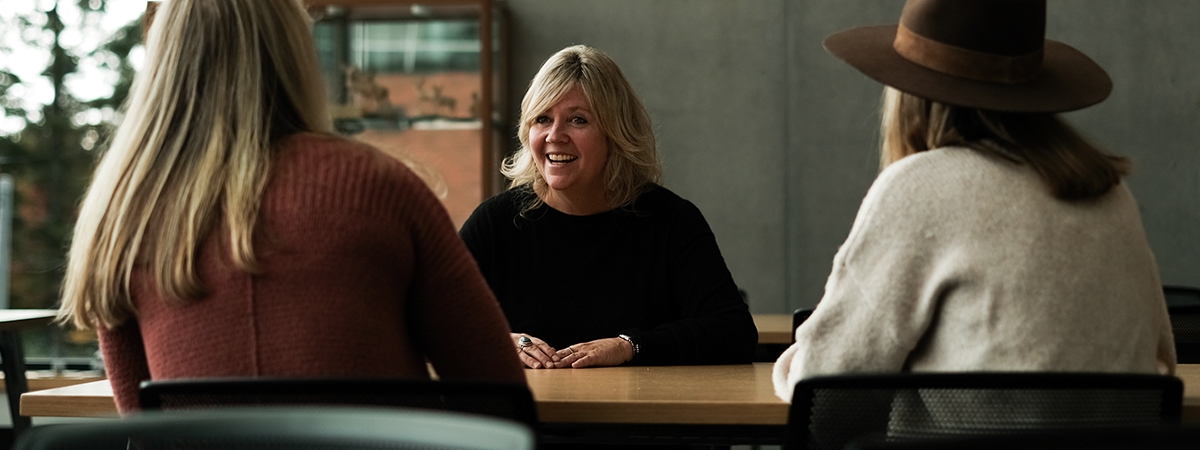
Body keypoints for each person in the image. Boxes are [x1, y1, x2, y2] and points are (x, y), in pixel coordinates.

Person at [56, 0, 523, 414]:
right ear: (294, 50)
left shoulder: (120, 217)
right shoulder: (377, 186)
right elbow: (498, 394)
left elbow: (142, 419)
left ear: (163, 62)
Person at [773, 0, 1175, 402]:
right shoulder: (1108, 191)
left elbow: (823, 379)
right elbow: (1161, 361)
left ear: (908, 95)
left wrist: (793, 360)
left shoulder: (920, 187)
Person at [460, 45, 758, 369]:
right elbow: (430, 319)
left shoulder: (672, 221)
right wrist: (500, 340)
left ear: (615, 133)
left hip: (639, 417)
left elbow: (734, 332)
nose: (555, 136)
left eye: (578, 120)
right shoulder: (494, 223)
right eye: (542, 119)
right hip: (527, 418)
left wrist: (629, 347)